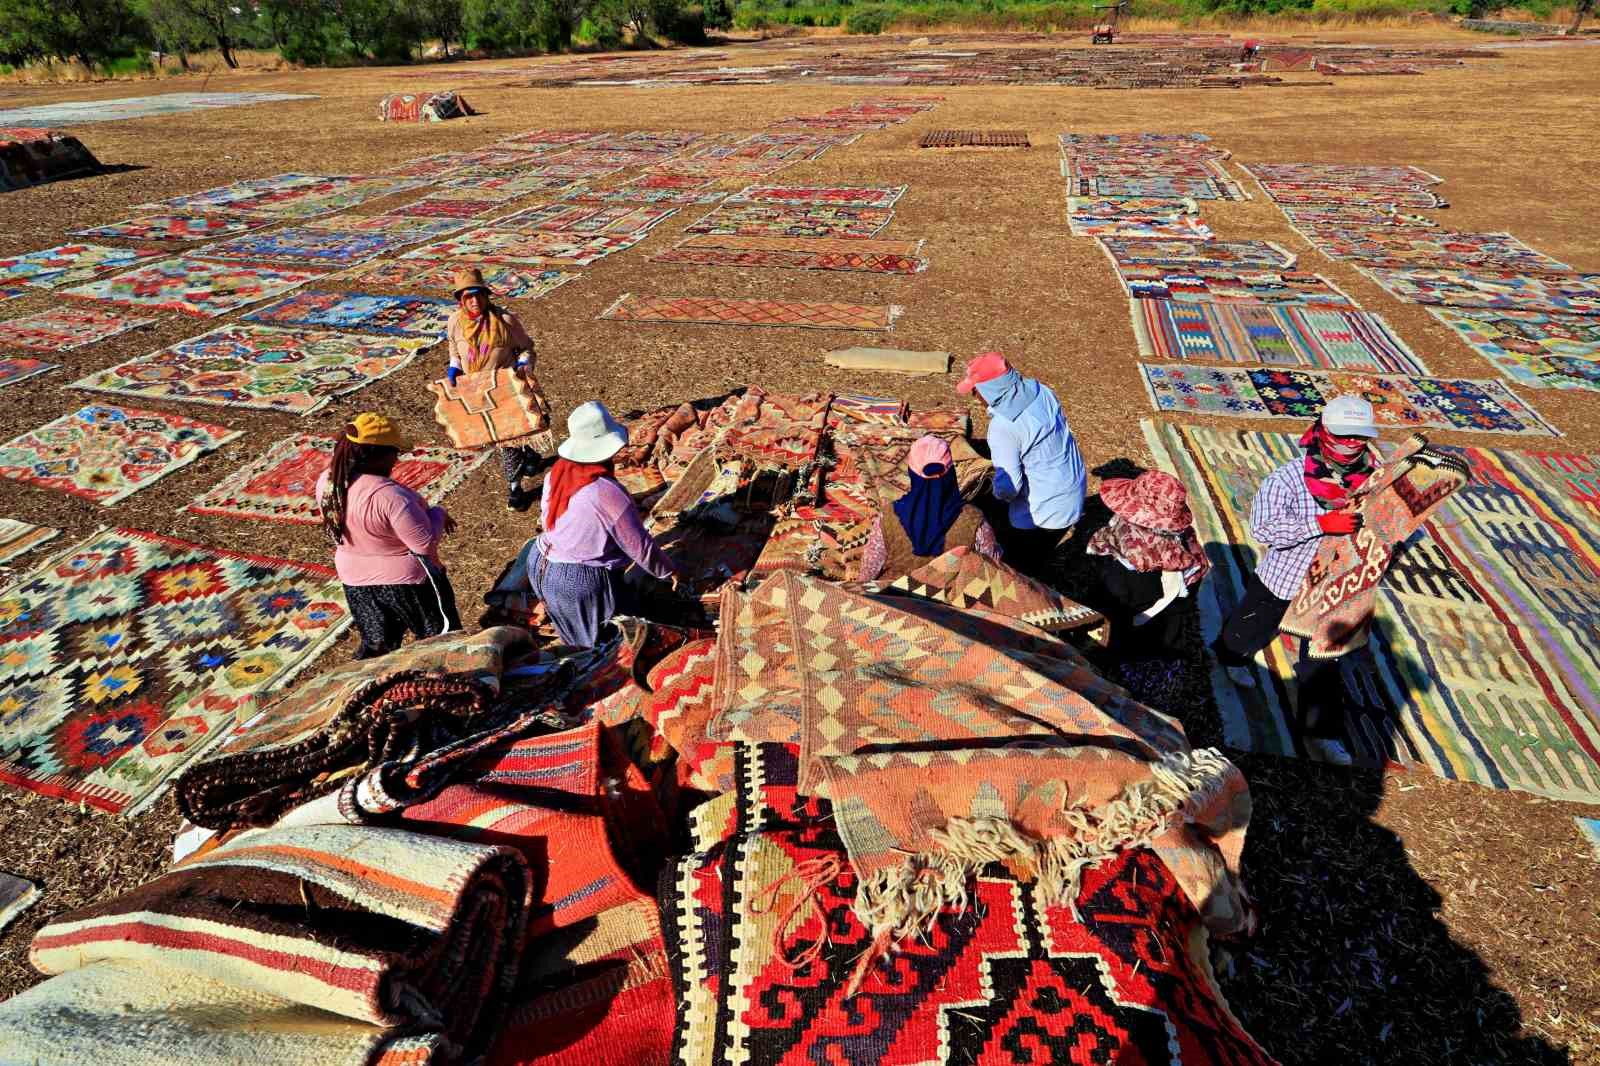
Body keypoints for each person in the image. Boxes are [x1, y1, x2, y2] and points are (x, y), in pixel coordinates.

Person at [1211, 395, 1381, 766]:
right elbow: (1262, 528)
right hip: (1284, 580)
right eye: (1344, 435)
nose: (1353, 443)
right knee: (1249, 627)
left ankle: (1320, 734)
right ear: (1323, 431)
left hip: (1335, 587)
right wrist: (1320, 525)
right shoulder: (1288, 478)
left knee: (1322, 659)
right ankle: (1230, 655)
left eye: (1360, 437)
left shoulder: (1375, 476)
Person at [528, 401, 679, 648]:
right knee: (598, 647)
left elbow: (548, 518)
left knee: (574, 635)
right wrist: (668, 571)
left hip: (540, 563)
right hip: (576, 581)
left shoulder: (556, 473)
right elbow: (638, 545)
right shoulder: (606, 493)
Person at [315, 413, 461, 660]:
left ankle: (365, 685)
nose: (396, 458)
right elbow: (423, 544)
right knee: (439, 639)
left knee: (376, 644)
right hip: (406, 582)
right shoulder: (390, 496)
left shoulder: (327, 482)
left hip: (355, 579)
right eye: (394, 452)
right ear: (376, 455)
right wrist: (438, 513)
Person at [957, 352, 1087, 577]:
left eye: (975, 390)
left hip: (1044, 511)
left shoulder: (1004, 426)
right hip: (1072, 489)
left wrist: (990, 492)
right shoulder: (1040, 390)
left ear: (990, 389)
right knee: (1040, 553)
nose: (974, 396)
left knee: (1020, 566)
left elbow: (1009, 488)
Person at [1081, 469, 1210, 655]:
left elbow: (1129, 605)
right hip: (1161, 602)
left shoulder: (1133, 571)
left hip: (1143, 614)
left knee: (1120, 625)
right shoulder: (1184, 541)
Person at [445, 266, 542, 512]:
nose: (475, 301)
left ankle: (515, 489)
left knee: (507, 442)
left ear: (486, 296)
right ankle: (529, 454)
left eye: (478, 295)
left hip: (505, 389)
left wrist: (522, 364)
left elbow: (527, 347)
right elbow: (454, 351)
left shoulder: (504, 321)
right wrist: (455, 368)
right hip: (476, 391)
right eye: (468, 297)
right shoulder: (455, 323)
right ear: (461, 300)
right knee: (510, 437)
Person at [858, 434, 1002, 583]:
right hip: (950, 603)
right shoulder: (975, 521)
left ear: (912, 474)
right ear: (951, 474)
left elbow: (867, 574)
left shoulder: (888, 518)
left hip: (895, 600)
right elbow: (992, 572)